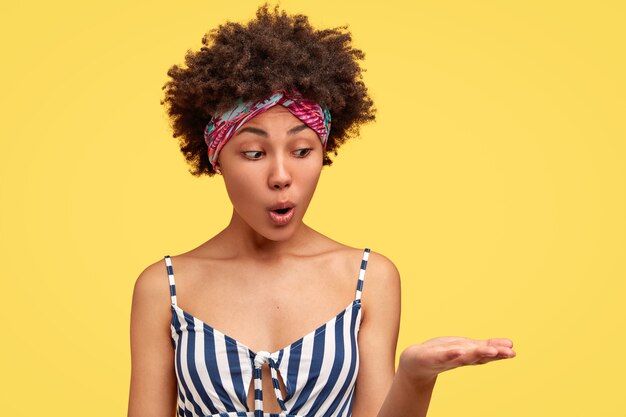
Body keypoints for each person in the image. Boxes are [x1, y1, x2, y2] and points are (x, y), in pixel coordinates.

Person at [127, 4, 516, 417]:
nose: (281, 175)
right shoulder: (163, 288)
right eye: (255, 153)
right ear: (217, 158)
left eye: (301, 151)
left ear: (323, 152)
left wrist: (415, 377)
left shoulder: (368, 279)